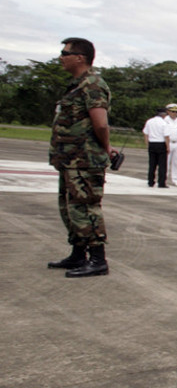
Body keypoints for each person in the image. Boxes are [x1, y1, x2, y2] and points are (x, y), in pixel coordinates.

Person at [48, 37, 116, 278]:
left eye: (65, 53)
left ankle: (98, 260)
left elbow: (100, 124)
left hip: (84, 160)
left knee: (86, 207)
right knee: (70, 207)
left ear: (80, 57)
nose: (61, 57)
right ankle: (78, 254)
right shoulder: (77, 84)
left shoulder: (93, 85)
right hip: (70, 159)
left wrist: (106, 148)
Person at [142, 108, 170, 188]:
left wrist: (147, 144)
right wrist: (168, 147)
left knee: (152, 164)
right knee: (162, 165)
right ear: (163, 115)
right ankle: (161, 182)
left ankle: (150, 181)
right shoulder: (164, 123)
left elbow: (145, 133)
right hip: (161, 144)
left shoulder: (149, 121)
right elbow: (166, 136)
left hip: (152, 143)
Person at [164, 103, 177, 186]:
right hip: (168, 142)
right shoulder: (164, 120)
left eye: (176, 112)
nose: (174, 113)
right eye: (172, 111)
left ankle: (175, 179)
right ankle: (163, 178)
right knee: (166, 162)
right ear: (168, 111)